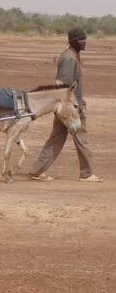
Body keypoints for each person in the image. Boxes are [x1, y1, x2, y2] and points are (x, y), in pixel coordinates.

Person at [28, 28, 102, 182]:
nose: (84, 42)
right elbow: (63, 86)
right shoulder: (69, 59)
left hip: (67, 106)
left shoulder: (73, 56)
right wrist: (74, 106)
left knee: (56, 138)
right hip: (69, 109)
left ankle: (37, 171)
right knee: (81, 138)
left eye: (85, 38)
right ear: (73, 41)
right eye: (81, 39)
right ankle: (87, 174)